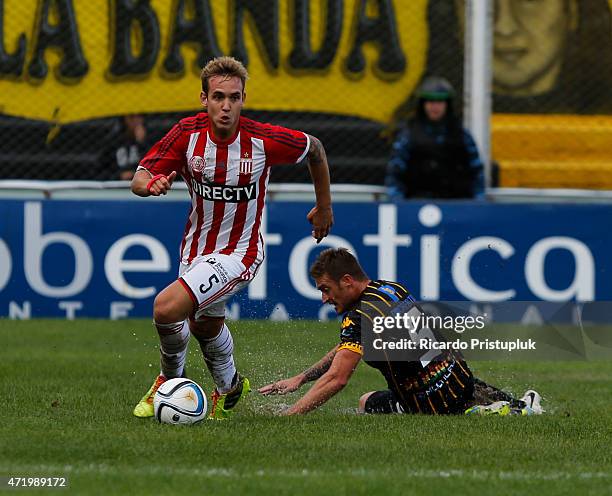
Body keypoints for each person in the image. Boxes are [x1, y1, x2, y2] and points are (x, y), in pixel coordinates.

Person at [130, 56, 334, 420]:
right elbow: (139, 179)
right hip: (195, 250)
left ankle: (168, 381)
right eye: (218, 96)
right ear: (203, 98)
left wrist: (324, 208)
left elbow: (315, 148)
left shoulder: (261, 140)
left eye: (234, 97)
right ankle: (230, 388)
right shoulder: (186, 135)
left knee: (166, 308)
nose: (226, 106)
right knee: (205, 325)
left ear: (243, 99)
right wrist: (153, 185)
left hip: (241, 254)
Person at [259, 248, 543, 416]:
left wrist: (290, 415)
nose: (324, 298)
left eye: (325, 289)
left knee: (366, 403)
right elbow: (347, 348)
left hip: (428, 402)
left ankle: (484, 414)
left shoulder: (359, 316)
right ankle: (513, 404)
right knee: (368, 399)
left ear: (346, 281)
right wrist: (301, 378)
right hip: (458, 377)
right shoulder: (390, 288)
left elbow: (338, 378)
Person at [384, 76, 484, 200]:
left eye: (440, 102)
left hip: (457, 203)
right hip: (417, 203)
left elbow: (476, 171)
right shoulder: (408, 135)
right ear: (423, 104)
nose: (435, 107)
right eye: (430, 102)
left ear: (447, 105)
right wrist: (398, 203)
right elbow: (395, 172)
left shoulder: (462, 135)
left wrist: (478, 202)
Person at [112, 114, 149, 180]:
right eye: (131, 117)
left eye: (139, 117)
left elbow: (151, 163)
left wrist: (141, 143)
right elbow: (104, 166)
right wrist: (119, 175)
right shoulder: (114, 141)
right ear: (124, 120)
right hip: (118, 182)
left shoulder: (151, 138)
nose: (136, 121)